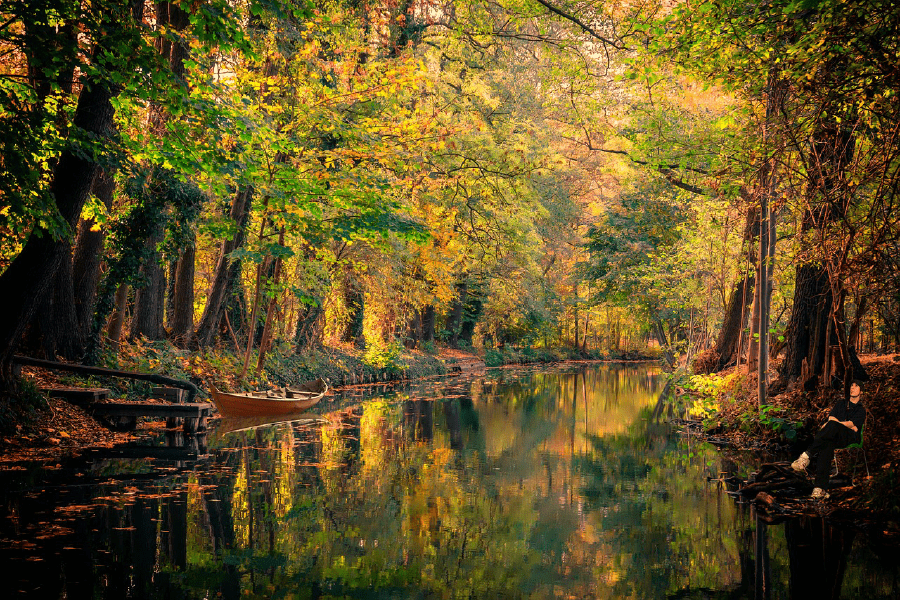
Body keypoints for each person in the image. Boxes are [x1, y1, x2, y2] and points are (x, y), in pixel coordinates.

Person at [791, 382, 866, 499]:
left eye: (856, 386)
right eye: (851, 385)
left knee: (831, 426)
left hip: (850, 437)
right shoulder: (841, 403)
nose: (852, 388)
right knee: (827, 444)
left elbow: (852, 424)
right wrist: (844, 425)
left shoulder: (861, 409)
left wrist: (839, 424)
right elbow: (831, 417)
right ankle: (820, 489)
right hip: (834, 436)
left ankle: (806, 456)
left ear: (861, 391)